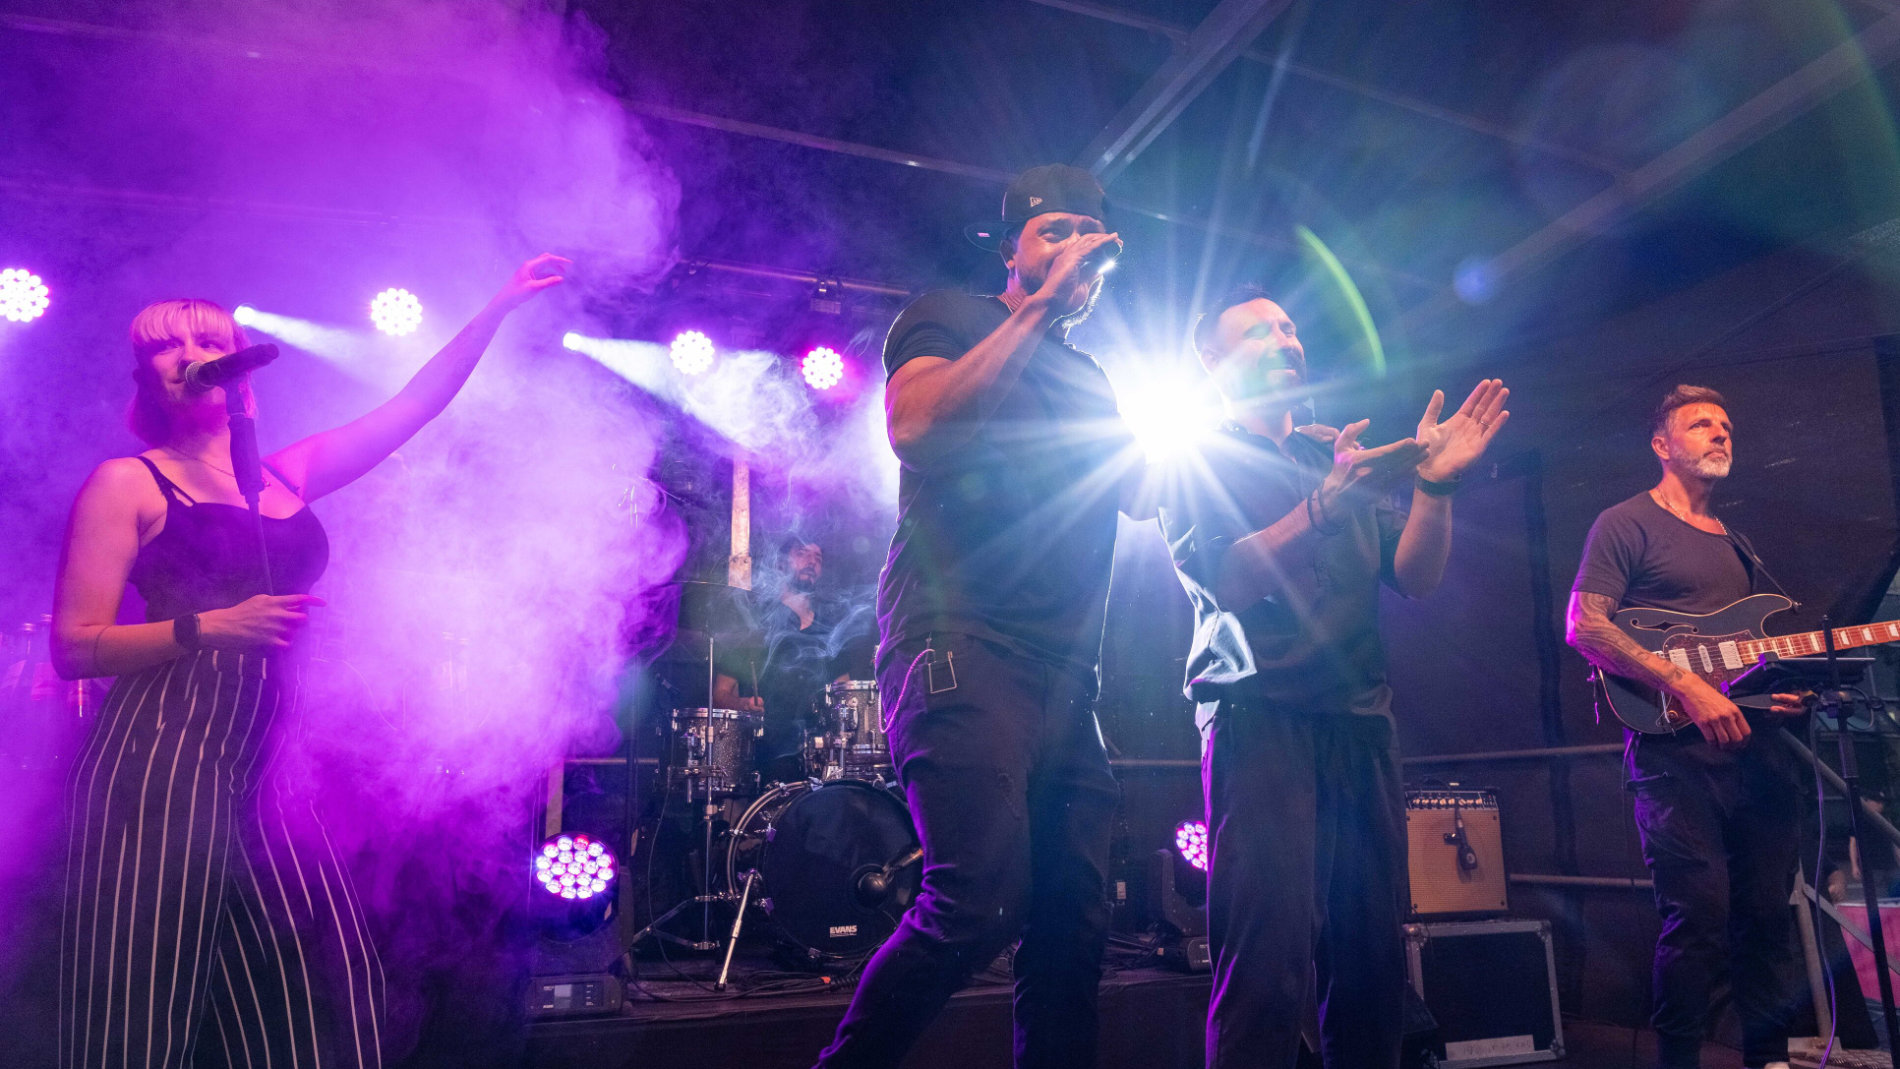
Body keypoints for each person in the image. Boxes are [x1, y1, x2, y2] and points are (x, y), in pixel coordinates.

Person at [50, 253, 568, 1069]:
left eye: (209, 338)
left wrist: (498, 308)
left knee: (328, 1003)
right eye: (169, 344)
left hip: (266, 771)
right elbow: (75, 644)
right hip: (156, 767)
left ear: (240, 369)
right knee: (136, 1017)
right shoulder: (129, 483)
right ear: (148, 378)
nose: (191, 350)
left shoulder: (281, 478)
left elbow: (413, 408)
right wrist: (208, 628)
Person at [809, 164, 1140, 1069]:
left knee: (1074, 920)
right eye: (1055, 230)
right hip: (960, 645)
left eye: (1092, 234)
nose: (1078, 249)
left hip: (1069, 679)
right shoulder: (951, 316)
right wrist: (1035, 313)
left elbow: (1154, 498)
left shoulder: (1094, 380)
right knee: (982, 895)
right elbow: (917, 427)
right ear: (1013, 248)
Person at [1156, 284, 1510, 1069]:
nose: (1287, 337)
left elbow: (1414, 574)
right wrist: (1321, 507)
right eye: (1260, 330)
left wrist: (1437, 484)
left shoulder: (1333, 456)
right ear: (1211, 359)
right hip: (1258, 716)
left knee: (1373, 968)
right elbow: (1228, 577)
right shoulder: (1194, 456)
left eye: (1290, 326)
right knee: (1268, 968)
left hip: (1359, 718)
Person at [1566, 384, 1810, 1069]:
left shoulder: (1739, 545)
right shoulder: (1625, 522)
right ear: (1662, 443)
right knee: (1697, 920)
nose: (1720, 432)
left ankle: (1772, 1058)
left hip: (1757, 758)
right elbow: (1585, 624)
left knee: (1767, 918)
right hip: (1676, 757)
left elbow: (1748, 657)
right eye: (1702, 423)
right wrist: (1684, 685)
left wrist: (1777, 696)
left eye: (1727, 424)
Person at [712, 535, 875, 782]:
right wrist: (745, 705)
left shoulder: (829, 631)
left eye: (817, 558)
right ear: (779, 564)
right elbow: (720, 693)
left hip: (820, 756)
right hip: (764, 755)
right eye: (802, 554)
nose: (811, 561)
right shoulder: (756, 625)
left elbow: (846, 695)